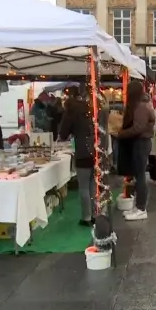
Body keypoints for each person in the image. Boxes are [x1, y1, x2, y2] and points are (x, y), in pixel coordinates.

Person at [58, 88, 97, 226]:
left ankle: (86, 217)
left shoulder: (71, 113)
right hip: (95, 150)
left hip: (82, 152)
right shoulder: (89, 110)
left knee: (84, 187)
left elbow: (63, 133)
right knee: (92, 185)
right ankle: (94, 214)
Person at [117, 81, 155, 221]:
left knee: (140, 177)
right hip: (141, 142)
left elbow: (138, 128)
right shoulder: (143, 104)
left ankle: (141, 208)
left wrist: (122, 133)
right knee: (139, 176)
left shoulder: (140, 107)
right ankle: (138, 207)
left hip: (141, 143)